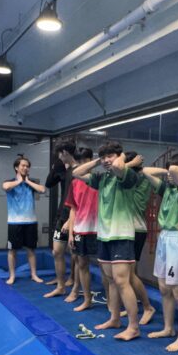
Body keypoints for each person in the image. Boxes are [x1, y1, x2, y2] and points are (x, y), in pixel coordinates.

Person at [72, 142, 142, 341]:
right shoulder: (101, 178)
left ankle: (134, 327)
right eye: (103, 157)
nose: (106, 160)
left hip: (121, 235)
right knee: (111, 280)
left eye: (110, 156)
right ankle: (115, 318)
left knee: (122, 281)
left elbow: (119, 166)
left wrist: (122, 160)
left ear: (119, 156)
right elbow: (76, 172)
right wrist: (98, 161)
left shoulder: (128, 175)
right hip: (104, 235)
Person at [141, 154, 178, 352]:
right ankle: (168, 328)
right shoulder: (168, 189)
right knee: (164, 287)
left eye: (175, 170)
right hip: (164, 237)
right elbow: (146, 171)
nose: (171, 173)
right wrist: (169, 171)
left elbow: (174, 171)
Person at [123, 151, 157, 326]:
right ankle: (134, 304)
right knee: (130, 273)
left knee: (129, 274)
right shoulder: (139, 177)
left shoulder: (137, 179)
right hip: (129, 229)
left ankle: (148, 307)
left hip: (135, 230)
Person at [2, 155, 46, 285]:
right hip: (14, 223)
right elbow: (5, 187)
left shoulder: (31, 183)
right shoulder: (10, 182)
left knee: (31, 249)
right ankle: (12, 276)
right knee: (12, 250)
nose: (25, 168)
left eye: (27, 166)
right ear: (16, 167)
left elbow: (42, 189)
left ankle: (34, 274)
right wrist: (19, 181)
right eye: (23, 165)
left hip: (31, 222)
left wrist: (27, 181)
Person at [65, 147, 99, 312]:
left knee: (106, 268)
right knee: (82, 264)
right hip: (80, 229)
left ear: (91, 160)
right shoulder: (74, 183)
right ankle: (87, 299)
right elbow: (73, 209)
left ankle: (112, 302)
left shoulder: (100, 180)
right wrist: (71, 233)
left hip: (100, 229)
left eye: (86, 160)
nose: (82, 164)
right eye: (79, 161)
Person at [44, 140, 77, 298]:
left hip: (75, 216)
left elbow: (79, 199)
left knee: (77, 256)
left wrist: (71, 220)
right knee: (57, 251)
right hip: (62, 214)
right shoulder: (64, 170)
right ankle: (61, 286)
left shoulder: (78, 171)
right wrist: (56, 167)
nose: (59, 157)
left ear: (65, 153)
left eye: (59, 154)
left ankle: (75, 288)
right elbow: (49, 183)